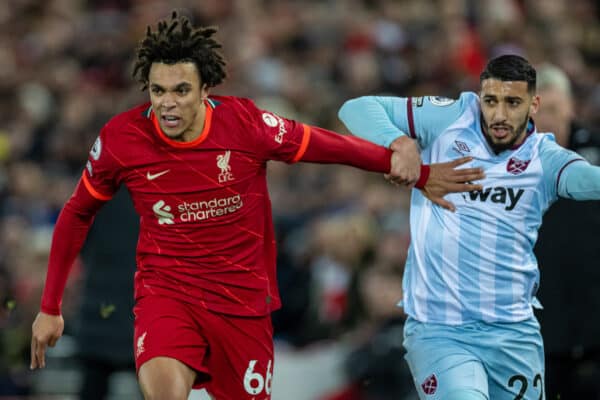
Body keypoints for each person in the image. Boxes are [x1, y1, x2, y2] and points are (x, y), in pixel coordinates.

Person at [29, 12, 483, 400]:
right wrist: (50, 305)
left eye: (180, 90)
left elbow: (326, 145)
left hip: (241, 302)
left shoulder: (245, 125)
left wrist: (414, 171)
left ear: (206, 87)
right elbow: (77, 212)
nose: (167, 104)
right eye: (157, 90)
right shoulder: (121, 139)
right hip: (168, 292)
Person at [338, 54, 600, 400]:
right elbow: (355, 108)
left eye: (513, 102)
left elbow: (589, 180)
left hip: (514, 332)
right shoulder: (450, 117)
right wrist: (399, 142)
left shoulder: (546, 159)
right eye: (491, 101)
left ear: (533, 104)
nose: (500, 115)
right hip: (441, 328)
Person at [533, 64, 600, 399]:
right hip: (542, 336)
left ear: (572, 107)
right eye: (540, 110)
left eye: (555, 109)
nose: (547, 119)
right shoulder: (507, 169)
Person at [74, 186, 140, 400]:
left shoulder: (96, 185)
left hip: (100, 304)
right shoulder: (155, 184)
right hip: (141, 304)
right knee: (155, 386)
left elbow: (77, 238)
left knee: (93, 385)